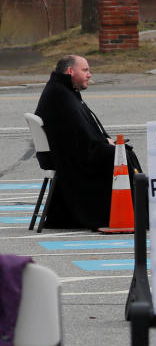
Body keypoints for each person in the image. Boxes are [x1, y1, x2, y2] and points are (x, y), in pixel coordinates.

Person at [34, 55, 124, 229]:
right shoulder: (61, 94)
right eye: (85, 70)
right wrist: (103, 144)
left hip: (64, 152)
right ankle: (120, 212)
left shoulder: (61, 90)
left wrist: (102, 140)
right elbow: (79, 136)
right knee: (119, 155)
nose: (89, 75)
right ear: (70, 71)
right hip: (67, 157)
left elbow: (78, 132)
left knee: (116, 151)